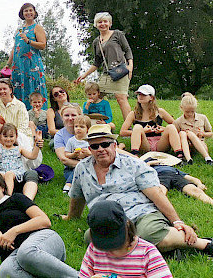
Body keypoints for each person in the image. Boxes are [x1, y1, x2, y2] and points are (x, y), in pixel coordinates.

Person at [65, 124, 213, 255]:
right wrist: (71, 216)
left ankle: (204, 244)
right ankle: (158, 249)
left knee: (149, 234)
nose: (101, 149)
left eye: (105, 144)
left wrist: (177, 222)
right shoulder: (82, 168)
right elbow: (77, 196)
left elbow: (156, 195)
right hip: (108, 218)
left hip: (141, 212)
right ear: (90, 149)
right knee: (90, 239)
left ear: (114, 145)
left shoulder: (133, 164)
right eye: (95, 146)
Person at [0, 169, 78, 278]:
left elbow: (44, 221)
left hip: (42, 239)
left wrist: (14, 231)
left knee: (26, 252)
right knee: (5, 270)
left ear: (2, 187)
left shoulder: (16, 198)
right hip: (16, 253)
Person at [80, 200, 173, 278]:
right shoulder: (93, 250)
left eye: (116, 241)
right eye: (105, 244)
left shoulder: (146, 252)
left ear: (127, 225)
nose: (112, 249)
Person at [75, 11, 134, 117]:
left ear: (110, 23)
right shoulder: (96, 42)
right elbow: (97, 62)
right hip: (106, 73)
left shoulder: (117, 34)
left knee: (121, 98)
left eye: (105, 21)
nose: (103, 24)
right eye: (100, 22)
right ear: (96, 25)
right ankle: (92, 122)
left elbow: (127, 50)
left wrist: (130, 67)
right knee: (95, 96)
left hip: (120, 70)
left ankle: (129, 127)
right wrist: (84, 75)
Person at [121, 84, 187, 163]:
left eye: (143, 95)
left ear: (151, 97)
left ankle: (179, 155)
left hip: (160, 143)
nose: (140, 97)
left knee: (170, 127)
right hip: (144, 144)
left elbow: (177, 126)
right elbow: (122, 132)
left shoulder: (160, 112)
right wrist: (143, 131)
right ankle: (135, 154)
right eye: (139, 94)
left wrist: (163, 129)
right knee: (137, 127)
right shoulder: (133, 114)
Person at [3, 2, 47, 109]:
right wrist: (8, 64)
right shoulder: (19, 30)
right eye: (26, 11)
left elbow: (42, 45)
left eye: (30, 10)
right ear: (22, 14)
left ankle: (37, 114)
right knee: (18, 89)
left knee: (34, 88)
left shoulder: (37, 28)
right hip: (18, 65)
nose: (28, 13)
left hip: (32, 64)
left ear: (34, 12)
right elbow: (15, 47)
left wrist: (29, 41)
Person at [0, 123, 42, 200]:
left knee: (9, 174)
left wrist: (37, 145)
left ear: (16, 137)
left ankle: (8, 196)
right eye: (5, 136)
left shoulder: (19, 149)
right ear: (0, 136)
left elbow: (32, 156)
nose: (8, 139)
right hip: (3, 172)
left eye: (11, 136)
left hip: (17, 173)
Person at [173, 92, 213, 164]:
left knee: (191, 134)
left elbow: (210, 133)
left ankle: (207, 158)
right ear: (181, 108)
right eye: (187, 112)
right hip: (186, 146)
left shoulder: (202, 118)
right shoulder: (178, 122)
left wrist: (203, 134)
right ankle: (188, 158)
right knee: (183, 133)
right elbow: (176, 138)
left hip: (200, 144)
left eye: (192, 111)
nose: (190, 114)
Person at [62, 115, 92, 193]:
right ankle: (72, 184)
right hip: (71, 166)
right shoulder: (71, 141)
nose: (78, 129)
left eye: (81, 127)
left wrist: (88, 153)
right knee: (73, 172)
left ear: (88, 129)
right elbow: (67, 154)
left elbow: (94, 154)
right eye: (76, 126)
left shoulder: (90, 141)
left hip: (87, 166)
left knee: (80, 170)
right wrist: (74, 155)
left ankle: (68, 185)